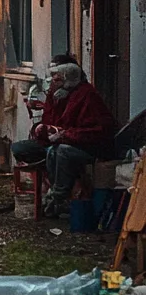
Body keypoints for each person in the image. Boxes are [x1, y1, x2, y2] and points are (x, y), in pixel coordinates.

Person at [12, 56, 115, 216]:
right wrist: (41, 129)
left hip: (84, 146)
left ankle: (58, 197)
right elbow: (48, 121)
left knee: (60, 152)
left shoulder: (87, 95)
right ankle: (56, 184)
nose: (53, 80)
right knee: (21, 148)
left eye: (57, 76)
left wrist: (65, 135)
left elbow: (97, 132)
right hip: (57, 143)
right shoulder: (55, 94)